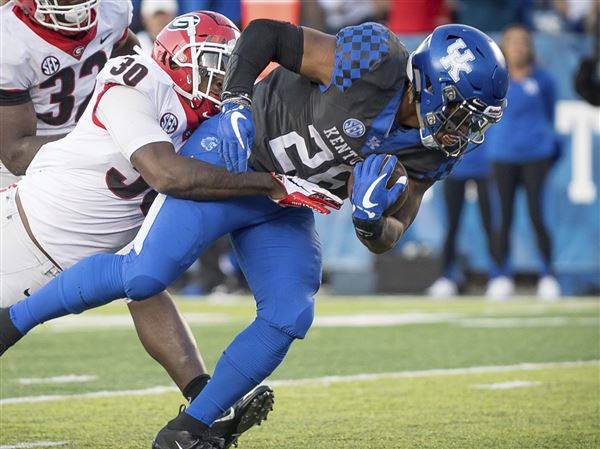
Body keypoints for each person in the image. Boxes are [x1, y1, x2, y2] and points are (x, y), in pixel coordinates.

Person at [1, 21, 508, 449]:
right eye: (461, 109)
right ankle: (11, 322)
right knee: (144, 273)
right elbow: (266, 35)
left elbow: (395, 231)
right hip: (233, 152)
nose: (464, 129)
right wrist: (237, 101)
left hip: (286, 200)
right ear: (427, 81)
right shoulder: (374, 60)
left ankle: (193, 428)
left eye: (474, 119)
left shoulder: (438, 147)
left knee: (290, 311)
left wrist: (371, 220)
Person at [0, 10, 342, 448]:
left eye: (230, 68)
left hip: (103, 245)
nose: (224, 81)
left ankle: (203, 404)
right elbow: (167, 175)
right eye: (215, 67)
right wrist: (272, 186)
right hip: (26, 243)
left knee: (143, 281)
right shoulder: (133, 86)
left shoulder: (206, 112)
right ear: (180, 60)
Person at [0, 0, 138, 187]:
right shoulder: (9, 41)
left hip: (92, 139)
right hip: (25, 163)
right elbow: (16, 155)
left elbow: (130, 58)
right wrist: (97, 139)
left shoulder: (111, 8)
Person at [485, 24, 561, 300]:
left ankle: (548, 276)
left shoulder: (543, 80)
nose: (516, 47)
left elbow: (551, 114)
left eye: (521, 42)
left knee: (537, 215)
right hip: (502, 157)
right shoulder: (494, 79)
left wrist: (545, 145)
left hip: (535, 157)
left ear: (529, 47)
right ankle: (500, 276)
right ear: (503, 47)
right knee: (502, 218)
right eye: (511, 42)